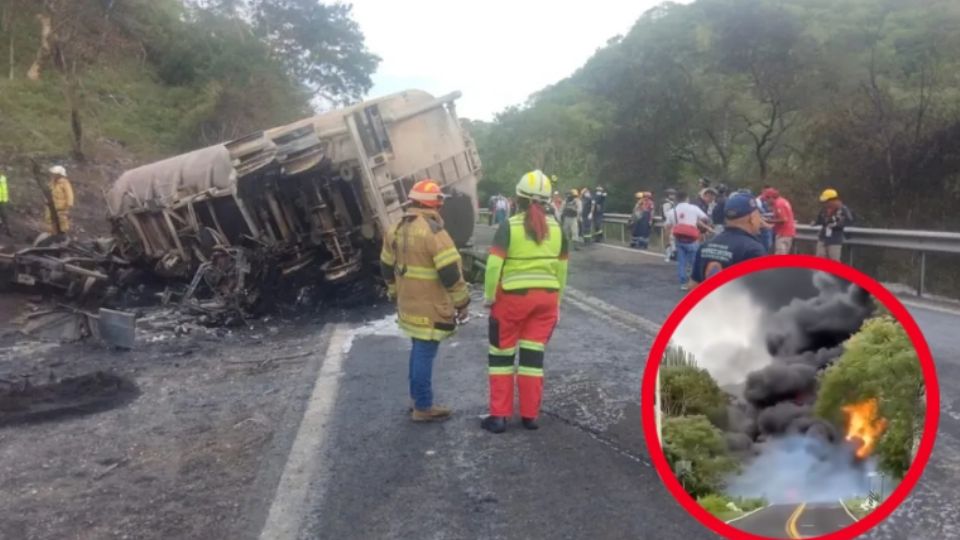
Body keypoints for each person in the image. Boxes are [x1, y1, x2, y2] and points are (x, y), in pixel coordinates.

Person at [482, 170, 569, 433]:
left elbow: (493, 266)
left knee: (501, 356)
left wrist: (489, 297)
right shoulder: (558, 229)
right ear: (546, 200)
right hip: (546, 299)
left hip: (512, 300)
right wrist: (557, 304)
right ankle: (530, 416)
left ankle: (499, 417)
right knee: (533, 359)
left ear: (518, 198)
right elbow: (562, 271)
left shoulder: (510, 226)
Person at [380, 179, 471, 422]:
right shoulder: (433, 231)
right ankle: (423, 406)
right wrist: (462, 303)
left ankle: (418, 399)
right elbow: (450, 272)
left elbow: (386, 267)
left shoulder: (395, 228)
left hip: (407, 304)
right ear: (436, 205)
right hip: (430, 306)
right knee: (424, 351)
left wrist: (393, 293)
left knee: (418, 349)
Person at [690, 190, 768, 286]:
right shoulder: (753, 250)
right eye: (758, 215)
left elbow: (693, 285)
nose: (760, 220)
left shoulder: (706, 246)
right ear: (752, 218)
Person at [664, 190, 712, 291]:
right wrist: (704, 227)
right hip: (692, 239)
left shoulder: (672, 211)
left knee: (681, 262)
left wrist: (668, 242)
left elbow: (668, 227)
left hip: (679, 239)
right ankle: (695, 281)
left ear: (677, 199)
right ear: (687, 198)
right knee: (694, 261)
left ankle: (683, 283)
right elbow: (705, 218)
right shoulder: (693, 208)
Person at [813, 188, 854, 262]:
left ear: (833, 200)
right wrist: (815, 223)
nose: (825, 203)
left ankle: (834, 274)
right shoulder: (824, 209)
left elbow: (849, 221)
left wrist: (837, 225)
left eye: (827, 201)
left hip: (835, 239)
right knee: (819, 260)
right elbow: (820, 219)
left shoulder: (842, 209)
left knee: (834, 261)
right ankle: (821, 273)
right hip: (823, 238)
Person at [762, 188, 796, 255]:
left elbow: (783, 219)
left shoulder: (778, 204)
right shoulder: (783, 201)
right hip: (787, 233)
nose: (766, 201)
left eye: (767, 199)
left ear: (771, 197)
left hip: (783, 233)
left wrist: (769, 221)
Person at [46, 165, 74, 235]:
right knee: (49, 220)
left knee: (62, 222)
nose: (53, 175)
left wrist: (68, 206)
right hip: (51, 206)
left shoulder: (64, 183)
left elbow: (69, 195)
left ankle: (62, 236)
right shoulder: (51, 183)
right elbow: (49, 193)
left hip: (61, 207)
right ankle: (52, 235)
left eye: (55, 174)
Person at [755, 189, 775, 254]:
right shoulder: (757, 201)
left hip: (765, 226)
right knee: (765, 246)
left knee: (768, 245)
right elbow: (760, 214)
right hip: (762, 228)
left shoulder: (764, 201)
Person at [661, 188, 678, 262]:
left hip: (673, 223)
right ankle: (668, 255)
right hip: (668, 223)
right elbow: (666, 214)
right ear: (668, 195)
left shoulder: (672, 203)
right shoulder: (667, 203)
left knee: (672, 239)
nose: (673, 196)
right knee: (669, 239)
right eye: (672, 194)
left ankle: (673, 254)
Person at [0, 169, 11, 236]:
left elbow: (5, 189)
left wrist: (6, 199)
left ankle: (6, 229)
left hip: (3, 200)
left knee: (4, 215)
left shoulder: (3, 178)